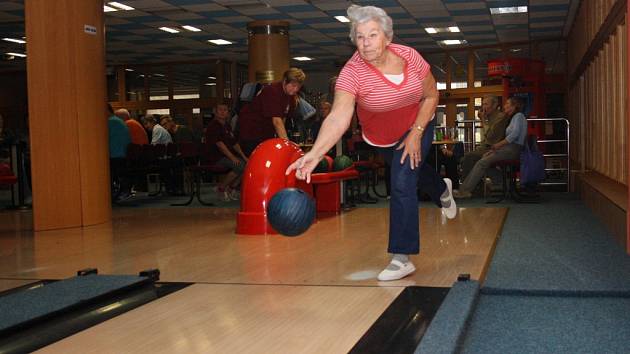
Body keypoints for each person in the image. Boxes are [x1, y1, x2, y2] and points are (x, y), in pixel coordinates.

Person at [286, 5, 457, 282]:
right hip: (381, 138)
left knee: (401, 179)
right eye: (360, 37)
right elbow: (340, 115)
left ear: (387, 37)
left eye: (372, 35)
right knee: (412, 170)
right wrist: (315, 154)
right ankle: (441, 189)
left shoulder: (410, 57)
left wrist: (416, 132)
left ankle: (402, 257)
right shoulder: (352, 73)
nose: (365, 44)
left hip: (418, 122)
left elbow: (431, 95)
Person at [454, 96, 527, 198]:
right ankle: (504, 182)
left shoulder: (518, 116)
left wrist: (497, 145)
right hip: (507, 148)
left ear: (514, 106)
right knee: (484, 159)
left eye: (507, 104)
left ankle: (464, 191)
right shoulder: (513, 117)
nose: (504, 106)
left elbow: (514, 135)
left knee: (482, 162)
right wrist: (495, 149)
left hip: (513, 149)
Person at [237, 68, 306, 156]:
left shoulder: (291, 96)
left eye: (298, 87)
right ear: (285, 81)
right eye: (293, 85)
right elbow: (277, 121)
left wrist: (281, 140)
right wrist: (287, 144)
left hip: (266, 133)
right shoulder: (272, 91)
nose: (295, 89)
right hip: (251, 132)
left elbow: (283, 118)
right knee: (258, 162)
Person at [205, 104, 249, 201]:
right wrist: (232, 157)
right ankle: (221, 188)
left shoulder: (227, 126)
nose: (223, 112)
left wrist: (244, 156)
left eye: (225, 110)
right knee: (240, 166)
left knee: (247, 165)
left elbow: (234, 144)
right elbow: (220, 145)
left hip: (225, 156)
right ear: (215, 112)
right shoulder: (213, 126)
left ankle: (231, 188)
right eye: (220, 110)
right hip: (215, 157)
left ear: (228, 113)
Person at [460, 95, 509, 180]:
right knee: (463, 159)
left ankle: (466, 188)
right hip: (485, 147)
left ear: (495, 105)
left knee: (469, 157)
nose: (484, 107)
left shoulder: (501, 117)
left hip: (494, 148)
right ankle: (476, 186)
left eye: (486, 104)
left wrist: (482, 119)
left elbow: (490, 136)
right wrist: (484, 118)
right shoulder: (488, 117)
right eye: (483, 104)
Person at [108, 104, 131, 201]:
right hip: (124, 154)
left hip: (114, 155)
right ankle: (123, 191)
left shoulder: (109, 122)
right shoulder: (120, 122)